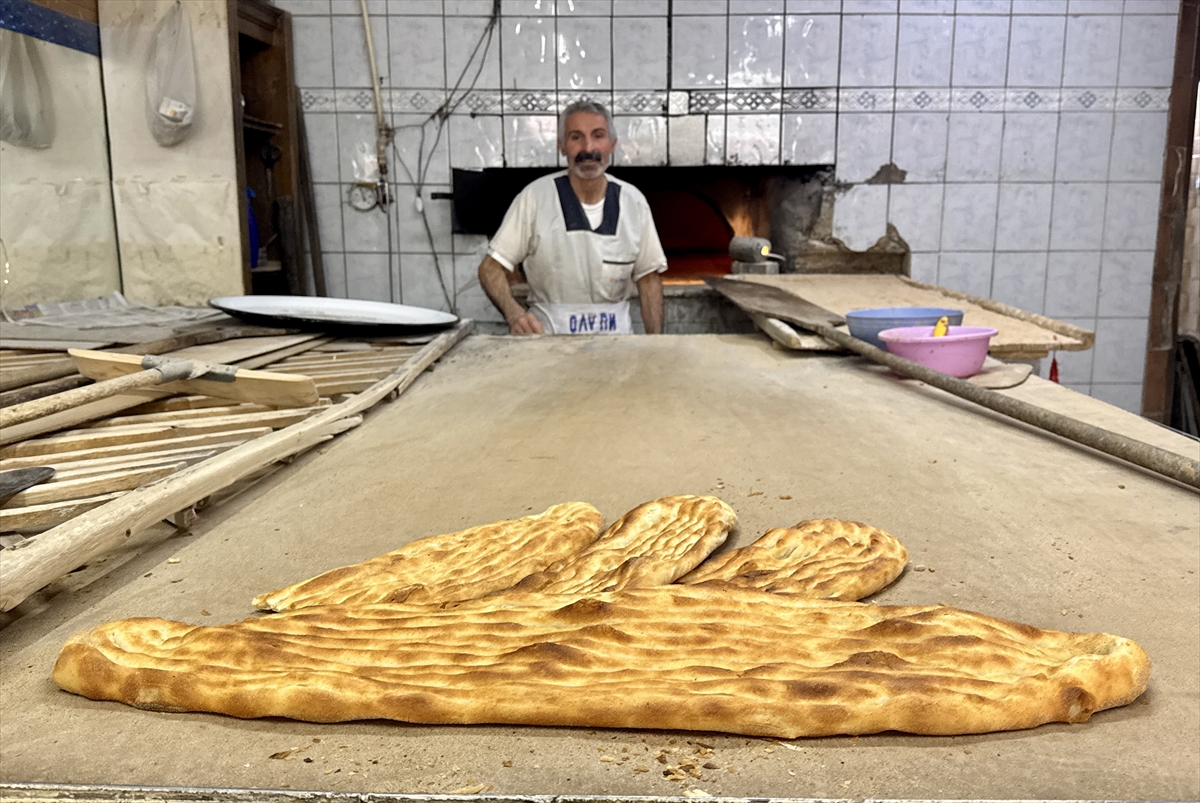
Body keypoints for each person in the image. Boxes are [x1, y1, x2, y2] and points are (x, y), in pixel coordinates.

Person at [477, 101, 667, 335]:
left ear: (612, 145)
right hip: (547, 344)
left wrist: (657, 343)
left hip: (617, 348)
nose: (588, 148)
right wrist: (514, 314)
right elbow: (490, 268)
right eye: (576, 137)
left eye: (598, 136)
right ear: (562, 146)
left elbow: (648, 280)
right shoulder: (535, 198)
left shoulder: (633, 202)